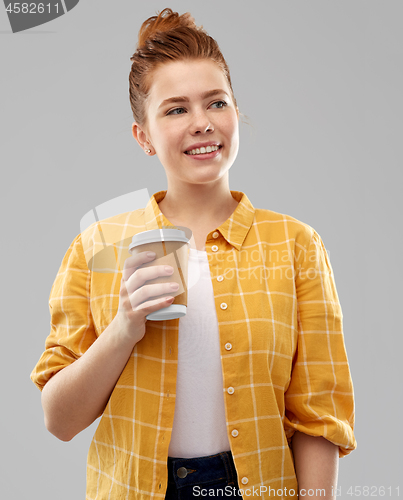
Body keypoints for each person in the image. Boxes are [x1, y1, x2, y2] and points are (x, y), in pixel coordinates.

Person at [30, 7, 357, 500]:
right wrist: (124, 328)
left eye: (216, 103)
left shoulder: (296, 245)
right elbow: (59, 419)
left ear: (235, 112)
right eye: (176, 109)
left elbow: (318, 417)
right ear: (144, 136)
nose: (202, 124)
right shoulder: (97, 245)